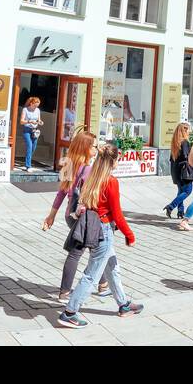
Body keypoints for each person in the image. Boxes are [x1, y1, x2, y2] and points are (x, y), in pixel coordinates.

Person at [57, 145, 144, 328]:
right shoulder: (111, 181)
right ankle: (69, 312)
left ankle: (123, 305)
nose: (119, 162)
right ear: (112, 161)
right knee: (91, 275)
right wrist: (130, 235)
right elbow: (117, 214)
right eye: (118, 159)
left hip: (94, 228)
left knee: (111, 268)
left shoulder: (93, 177)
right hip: (104, 230)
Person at [42, 130, 111, 305]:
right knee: (78, 253)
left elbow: (61, 193)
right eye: (94, 146)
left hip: (70, 215)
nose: (96, 148)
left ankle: (103, 284)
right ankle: (65, 292)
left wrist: (51, 215)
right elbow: (93, 194)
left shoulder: (68, 163)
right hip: (84, 216)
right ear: (85, 147)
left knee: (94, 247)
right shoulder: (87, 168)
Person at [164, 122, 193, 219]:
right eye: (188, 130)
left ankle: (180, 212)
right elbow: (186, 157)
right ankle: (171, 206)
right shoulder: (185, 142)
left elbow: (172, 159)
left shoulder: (175, 142)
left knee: (181, 191)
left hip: (175, 171)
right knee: (188, 191)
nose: (189, 132)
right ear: (184, 131)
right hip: (184, 171)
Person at [20, 96, 43, 172]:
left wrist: (40, 122)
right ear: (31, 103)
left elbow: (39, 120)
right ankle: (28, 166)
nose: (36, 107)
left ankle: (27, 158)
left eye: (37, 106)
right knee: (29, 146)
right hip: (27, 129)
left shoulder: (38, 110)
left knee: (33, 147)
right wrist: (29, 121)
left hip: (34, 130)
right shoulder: (25, 109)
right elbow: (21, 121)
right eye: (35, 106)